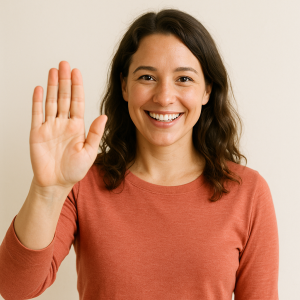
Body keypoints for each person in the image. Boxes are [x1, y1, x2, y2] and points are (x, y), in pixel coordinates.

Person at [0, 9, 279, 300]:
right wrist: (47, 191)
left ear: (207, 90)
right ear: (124, 86)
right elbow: (15, 287)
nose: (164, 96)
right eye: (147, 76)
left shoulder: (248, 192)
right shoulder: (81, 181)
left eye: (184, 79)